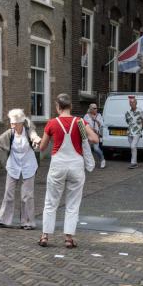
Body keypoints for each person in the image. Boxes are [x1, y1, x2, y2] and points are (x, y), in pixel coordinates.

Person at [38, 94, 98, 248]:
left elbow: (42, 147)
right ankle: (68, 238)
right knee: (73, 203)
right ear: (70, 106)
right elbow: (94, 139)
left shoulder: (52, 123)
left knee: (51, 201)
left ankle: (45, 236)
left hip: (58, 164)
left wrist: (38, 140)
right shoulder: (79, 122)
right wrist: (82, 134)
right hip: (76, 165)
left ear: (58, 106)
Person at [0, 109, 41, 230]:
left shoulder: (28, 130)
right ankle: (3, 220)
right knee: (8, 193)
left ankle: (27, 222)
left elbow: (34, 136)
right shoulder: (10, 133)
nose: (12, 126)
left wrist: (37, 140)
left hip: (28, 165)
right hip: (13, 165)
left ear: (20, 123)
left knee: (27, 195)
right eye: (11, 123)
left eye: (14, 124)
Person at [125, 95, 143, 169]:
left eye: (133, 102)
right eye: (130, 103)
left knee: (133, 146)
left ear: (136, 103)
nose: (132, 104)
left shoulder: (140, 111)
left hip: (137, 132)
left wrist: (140, 129)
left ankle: (133, 163)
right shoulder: (127, 112)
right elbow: (127, 121)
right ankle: (135, 162)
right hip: (129, 132)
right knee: (133, 148)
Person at [83, 103, 106, 168]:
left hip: (96, 135)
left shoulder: (99, 115)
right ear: (91, 109)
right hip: (88, 135)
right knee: (87, 149)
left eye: (96, 108)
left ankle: (102, 160)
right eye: (94, 108)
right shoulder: (86, 116)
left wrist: (95, 120)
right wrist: (90, 128)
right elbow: (84, 124)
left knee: (96, 149)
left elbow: (102, 124)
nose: (96, 109)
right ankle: (89, 163)